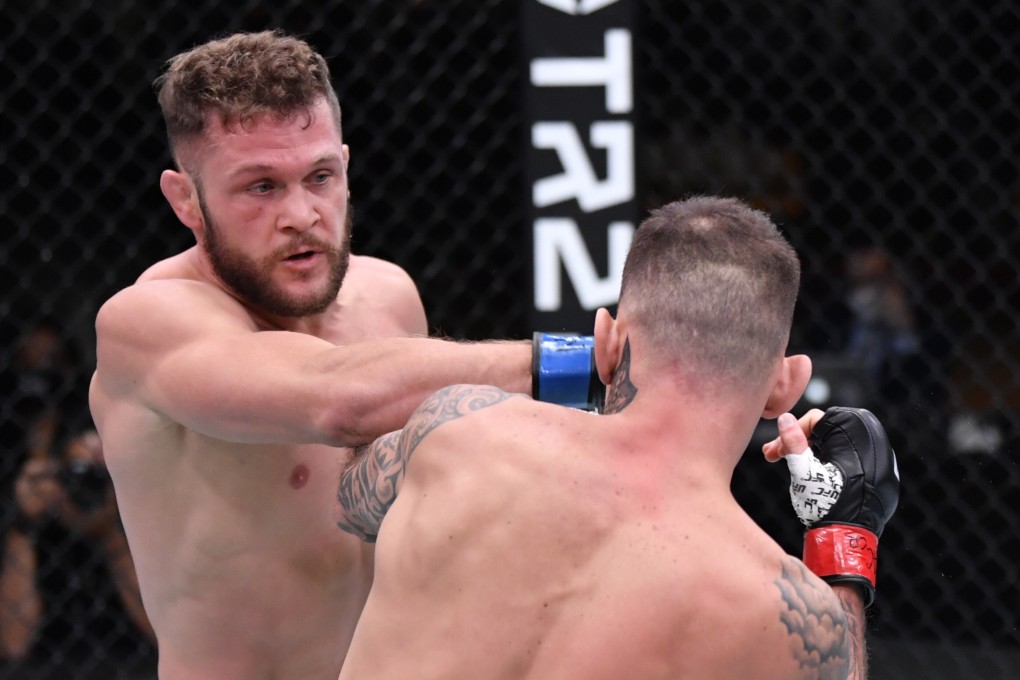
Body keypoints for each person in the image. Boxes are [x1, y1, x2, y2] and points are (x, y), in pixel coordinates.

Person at [88, 30, 599, 680]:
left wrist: (691, 392)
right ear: (185, 198)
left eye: (320, 176)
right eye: (261, 187)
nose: (302, 214)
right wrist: (586, 364)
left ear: (347, 168)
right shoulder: (147, 323)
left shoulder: (387, 297)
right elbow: (334, 398)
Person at [335, 196, 900, 680]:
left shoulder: (457, 431)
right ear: (786, 386)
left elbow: (351, 501)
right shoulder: (773, 604)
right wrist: (845, 533)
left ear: (606, 342)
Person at [0, 419, 156, 678]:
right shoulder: (34, 527)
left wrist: (110, 535)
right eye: (78, 473)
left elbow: (162, 635)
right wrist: (24, 525)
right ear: (57, 474)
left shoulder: (143, 527)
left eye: (102, 476)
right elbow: (12, 644)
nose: (89, 488)